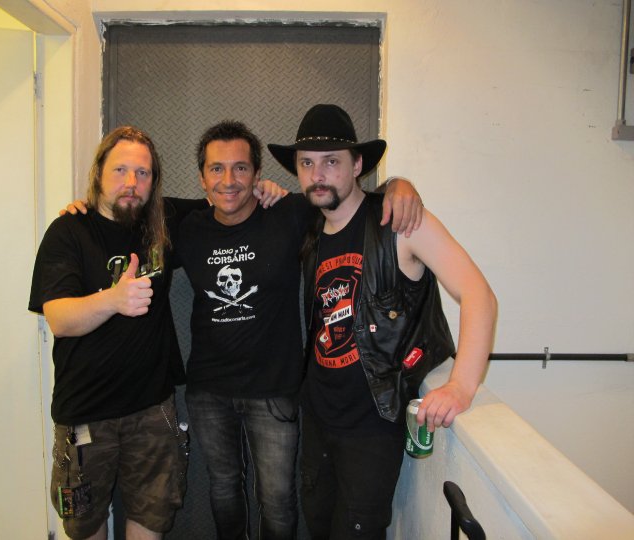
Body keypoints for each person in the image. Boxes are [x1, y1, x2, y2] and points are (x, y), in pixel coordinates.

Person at [60, 122, 423, 540]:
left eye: (240, 168)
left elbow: (350, 200)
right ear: (201, 178)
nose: (228, 180)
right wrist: (85, 210)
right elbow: (126, 213)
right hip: (209, 390)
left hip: (275, 390)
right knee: (223, 490)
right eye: (216, 169)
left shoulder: (289, 213)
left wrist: (399, 185)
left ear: (257, 174)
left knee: (278, 499)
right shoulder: (185, 226)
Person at [267, 104, 498, 540]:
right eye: (307, 163)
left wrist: (462, 385)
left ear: (357, 165)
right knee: (318, 528)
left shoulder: (399, 223)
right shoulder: (311, 230)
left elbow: (479, 295)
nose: (318, 175)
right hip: (318, 418)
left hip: (372, 426)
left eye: (331, 161)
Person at [29, 126, 202, 540]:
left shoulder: (162, 222)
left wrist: (266, 189)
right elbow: (59, 318)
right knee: (84, 525)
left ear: (153, 181)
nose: (131, 182)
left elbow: (226, 197)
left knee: (153, 518)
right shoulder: (68, 232)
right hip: (85, 417)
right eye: (120, 170)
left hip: (153, 410)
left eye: (142, 173)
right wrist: (113, 299)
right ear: (98, 173)